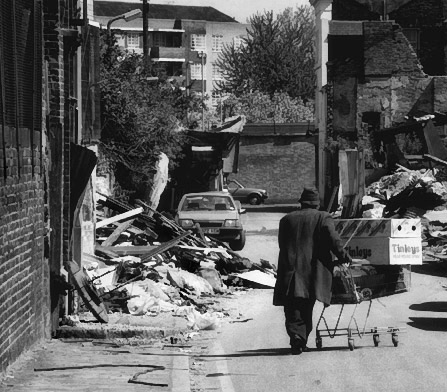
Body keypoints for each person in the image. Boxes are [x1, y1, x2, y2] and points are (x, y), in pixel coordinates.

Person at [273, 187, 352, 355]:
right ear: (317, 204)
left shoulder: (286, 219)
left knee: (292, 305)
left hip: (290, 268)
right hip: (311, 271)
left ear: (301, 202)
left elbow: (282, 244)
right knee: (306, 305)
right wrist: (344, 256)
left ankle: (296, 336)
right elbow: (333, 240)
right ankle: (299, 337)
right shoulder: (322, 217)